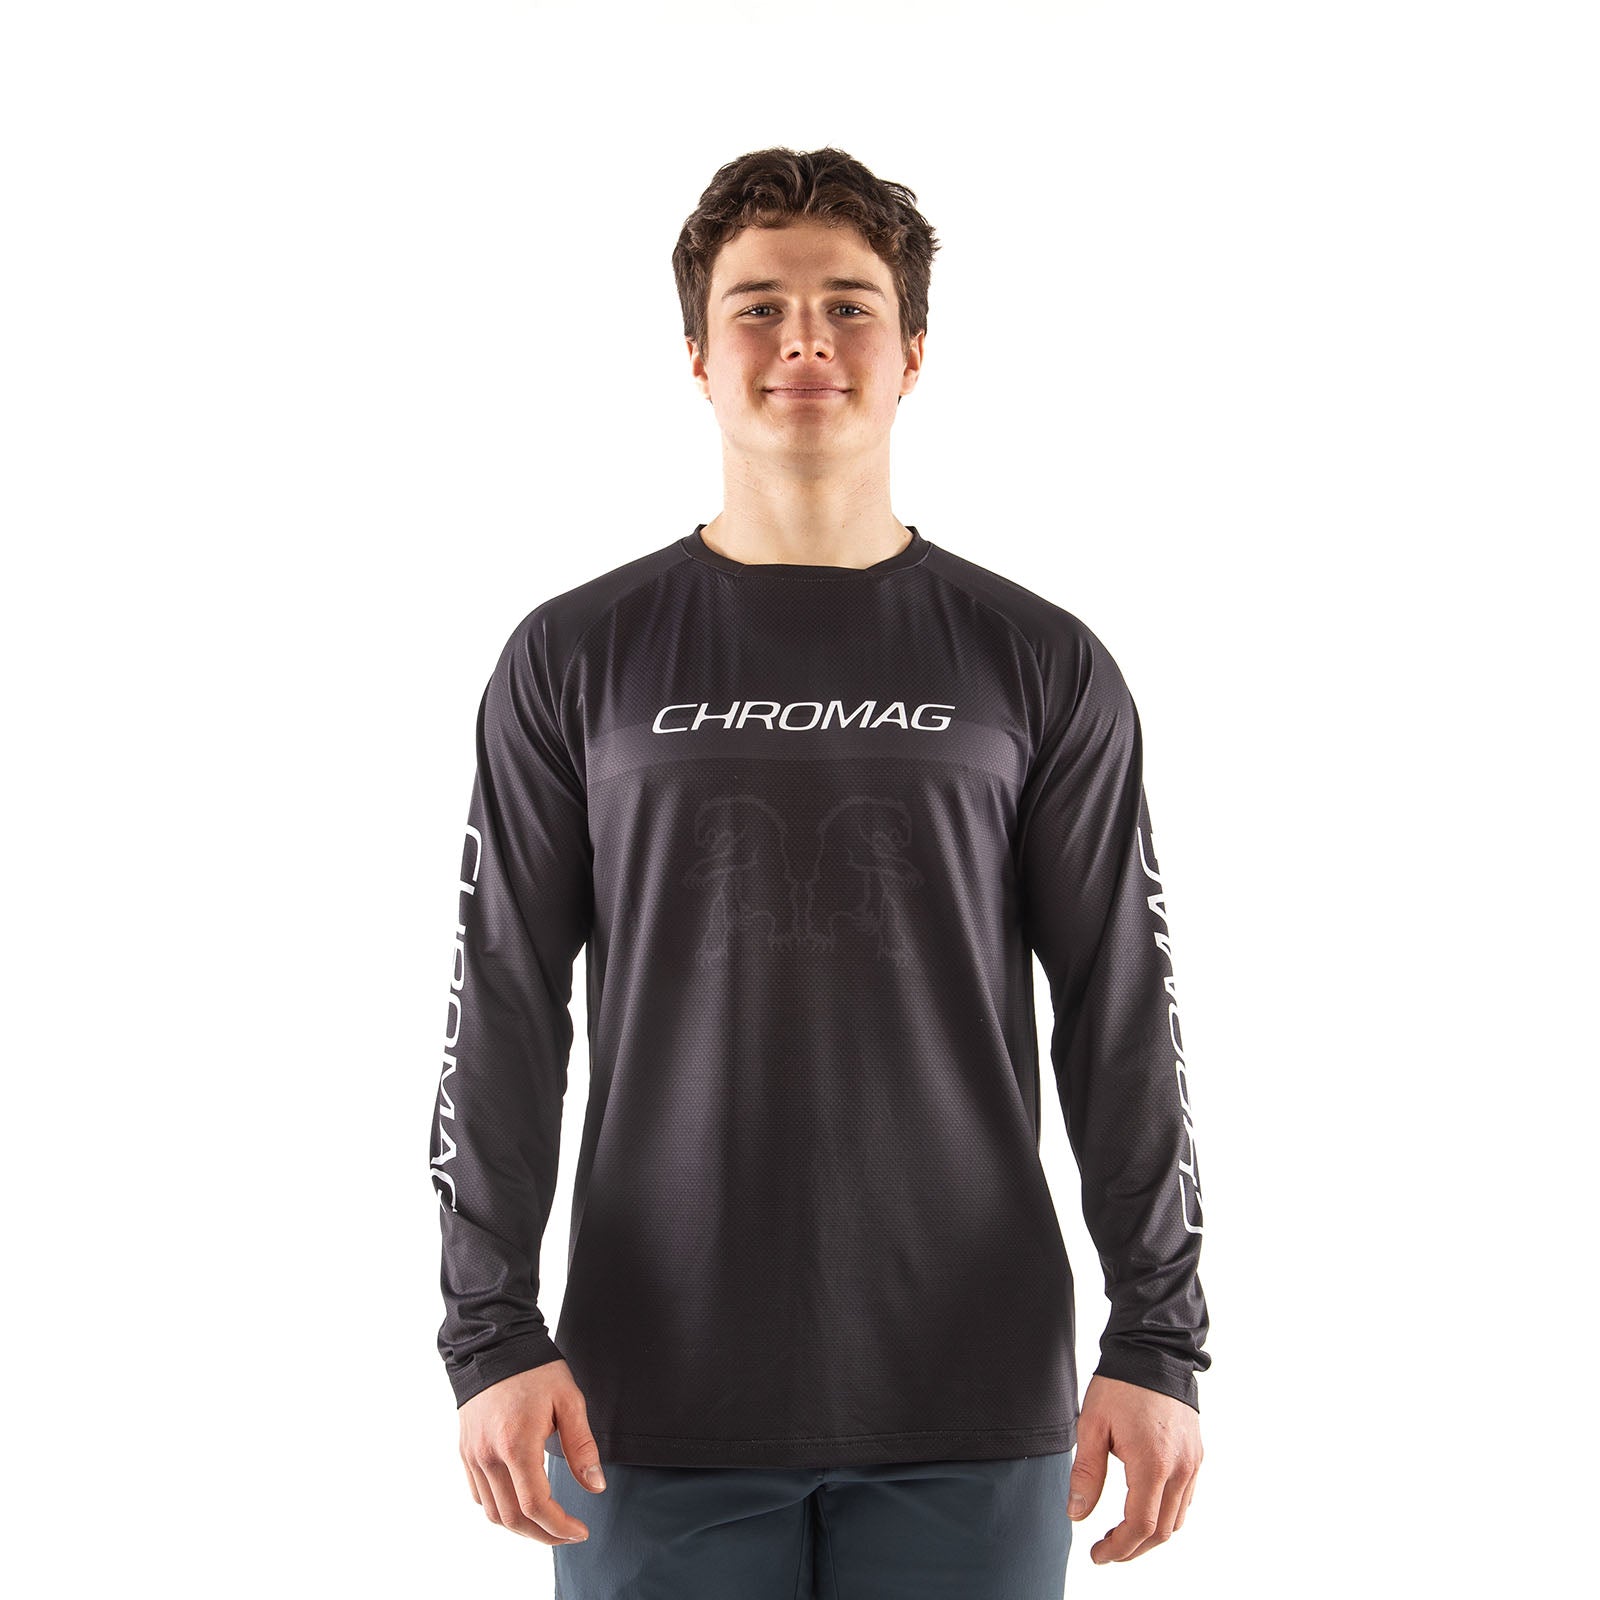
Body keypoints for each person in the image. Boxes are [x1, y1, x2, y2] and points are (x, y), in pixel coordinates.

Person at [428, 145, 1210, 1599]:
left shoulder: (1037, 662)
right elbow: (505, 1006)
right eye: (760, 308)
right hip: (641, 1398)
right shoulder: (574, 659)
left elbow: (1122, 1010)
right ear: (696, 354)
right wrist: (491, 1332)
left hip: (972, 1390)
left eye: (850, 306)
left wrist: (1157, 1339)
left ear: (912, 354)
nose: (805, 341)